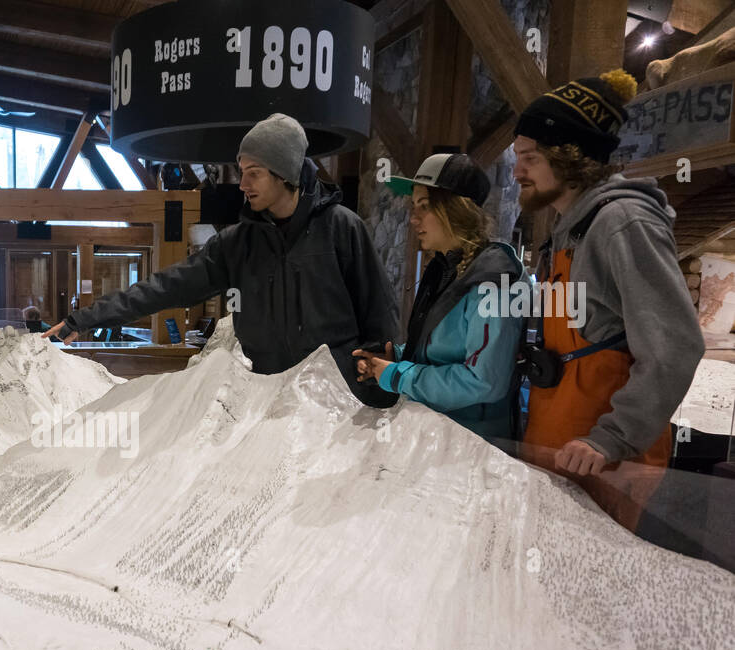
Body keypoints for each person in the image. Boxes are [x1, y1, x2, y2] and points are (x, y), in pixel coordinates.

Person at [42, 113, 399, 406]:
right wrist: (85, 318)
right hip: (270, 401)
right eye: (241, 171)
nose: (242, 183)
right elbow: (167, 287)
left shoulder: (341, 228)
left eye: (254, 172)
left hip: (335, 400)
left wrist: (376, 386)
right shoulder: (238, 243)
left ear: (285, 173)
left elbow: (379, 311)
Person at [511, 69, 704, 531]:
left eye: (530, 158)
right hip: (561, 449)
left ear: (571, 156)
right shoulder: (569, 229)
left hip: (601, 462)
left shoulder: (622, 222)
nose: (517, 171)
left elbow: (675, 345)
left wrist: (611, 439)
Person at [353, 153, 526, 440]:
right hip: (436, 438)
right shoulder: (444, 268)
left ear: (456, 209)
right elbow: (441, 348)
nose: (413, 219)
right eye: (413, 206)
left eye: (425, 206)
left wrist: (397, 375)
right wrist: (394, 356)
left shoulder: (495, 279)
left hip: (474, 448)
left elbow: (483, 381)